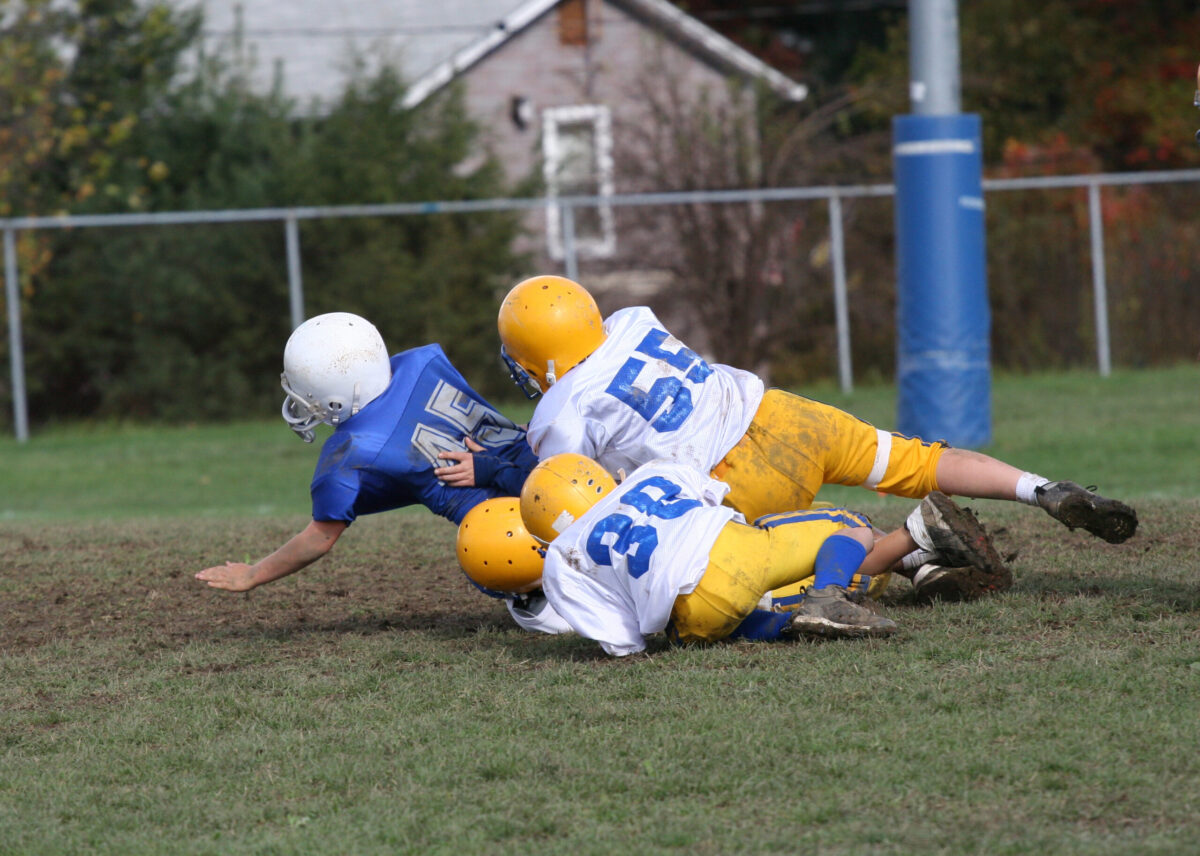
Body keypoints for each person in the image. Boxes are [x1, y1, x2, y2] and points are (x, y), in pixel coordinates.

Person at [496, 275, 1138, 599]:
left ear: (533, 358)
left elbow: (575, 503)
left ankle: (907, 549)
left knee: (772, 574)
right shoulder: (633, 320)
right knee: (920, 460)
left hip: (730, 477)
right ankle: (1042, 488)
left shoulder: (561, 410)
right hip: (781, 414)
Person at [194, 311, 569, 634]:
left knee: (484, 543)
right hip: (557, 471)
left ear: (336, 394)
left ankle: (538, 595)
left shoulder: (352, 450)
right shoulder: (422, 363)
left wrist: (253, 574)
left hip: (520, 526)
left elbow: (320, 537)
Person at [517, 453, 1001, 655]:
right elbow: (714, 498)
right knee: (847, 526)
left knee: (743, 616)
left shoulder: (561, 561)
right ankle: (878, 562)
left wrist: (642, 646)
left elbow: (619, 637)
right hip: (734, 553)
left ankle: (795, 622)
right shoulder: (645, 475)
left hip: (693, 620)